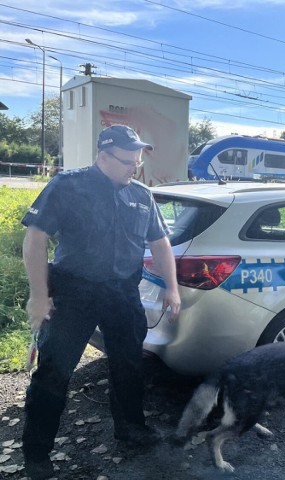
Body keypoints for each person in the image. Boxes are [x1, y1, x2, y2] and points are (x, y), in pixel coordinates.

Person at [21, 124, 181, 480]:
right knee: (54, 373)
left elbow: (160, 243)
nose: (133, 169)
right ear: (103, 157)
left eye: (137, 162)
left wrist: (172, 287)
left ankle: (131, 428)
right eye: (127, 162)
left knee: (128, 366)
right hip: (72, 292)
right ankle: (37, 452)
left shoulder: (141, 194)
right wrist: (38, 294)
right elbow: (35, 238)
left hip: (122, 293)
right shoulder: (67, 186)